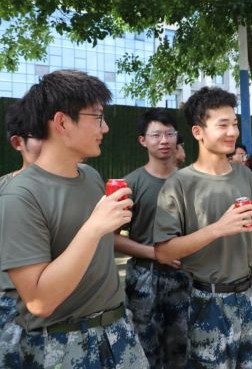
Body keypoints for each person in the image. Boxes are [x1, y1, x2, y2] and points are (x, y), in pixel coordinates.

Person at [0, 69, 147, 368]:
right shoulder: (19, 196)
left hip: (119, 333)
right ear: (62, 122)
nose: (105, 128)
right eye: (98, 117)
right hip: (62, 345)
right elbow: (39, 301)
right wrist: (94, 228)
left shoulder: (91, 176)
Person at [153, 87, 252, 367]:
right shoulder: (179, 184)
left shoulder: (244, 175)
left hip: (250, 293)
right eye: (223, 125)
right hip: (206, 302)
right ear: (198, 132)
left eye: (234, 123)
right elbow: (163, 252)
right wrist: (217, 229)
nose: (232, 132)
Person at [114, 109, 189, 368]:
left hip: (186, 276)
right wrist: (156, 253)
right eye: (156, 135)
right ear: (142, 140)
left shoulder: (192, 181)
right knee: (145, 352)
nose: (164, 140)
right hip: (144, 278)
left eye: (169, 133)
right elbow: (111, 239)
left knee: (183, 351)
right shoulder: (130, 185)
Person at [0, 103, 43, 368]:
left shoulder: (80, 187)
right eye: (41, 136)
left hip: (63, 308)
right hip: (11, 306)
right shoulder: (5, 189)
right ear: (18, 143)